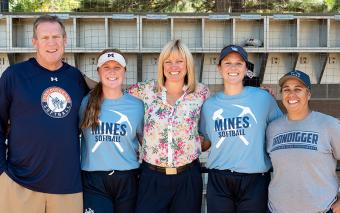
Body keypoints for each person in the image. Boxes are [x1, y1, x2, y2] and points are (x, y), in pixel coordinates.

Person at [0, 15, 88, 213]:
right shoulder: (15, 75)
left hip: (67, 187)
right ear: (35, 42)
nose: (51, 43)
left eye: (56, 37)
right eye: (45, 37)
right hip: (19, 184)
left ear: (65, 40)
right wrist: (1, 172)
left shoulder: (75, 78)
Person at [128, 39, 209, 213]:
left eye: (180, 61)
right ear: (162, 65)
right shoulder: (145, 90)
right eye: (168, 61)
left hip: (187, 176)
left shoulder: (201, 92)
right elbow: (113, 92)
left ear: (188, 65)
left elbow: (222, 107)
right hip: (152, 176)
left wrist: (257, 91)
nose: (174, 66)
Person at [199, 44, 282, 213]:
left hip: (255, 179)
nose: (233, 68)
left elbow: (281, 130)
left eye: (239, 63)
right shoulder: (209, 105)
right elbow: (205, 142)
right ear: (219, 69)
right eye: (227, 63)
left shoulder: (263, 98)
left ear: (245, 69)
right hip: (219, 178)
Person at [79, 49, 144, 213]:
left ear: (124, 71)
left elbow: (146, 142)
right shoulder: (85, 103)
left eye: (117, 67)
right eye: (106, 67)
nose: (112, 72)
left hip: (127, 178)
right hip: (94, 179)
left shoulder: (137, 105)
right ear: (98, 71)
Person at [266, 70, 340, 213]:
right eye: (286, 89)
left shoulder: (328, 125)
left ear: (308, 94)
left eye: (298, 89)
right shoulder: (272, 128)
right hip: (277, 209)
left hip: (321, 209)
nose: (291, 95)